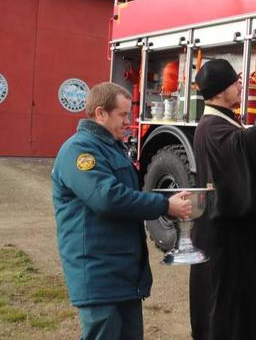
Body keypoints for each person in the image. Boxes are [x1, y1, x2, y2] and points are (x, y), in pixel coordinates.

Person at [52, 81, 193, 340]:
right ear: (100, 113)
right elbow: (107, 199)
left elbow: (130, 196)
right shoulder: (79, 150)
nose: (128, 121)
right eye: (122, 115)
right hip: (98, 272)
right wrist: (164, 205)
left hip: (123, 274)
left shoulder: (112, 149)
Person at [190, 59, 256, 340]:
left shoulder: (222, 121)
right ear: (217, 91)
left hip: (238, 235)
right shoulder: (211, 127)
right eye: (234, 82)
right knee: (231, 308)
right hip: (226, 239)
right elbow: (247, 143)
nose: (241, 85)